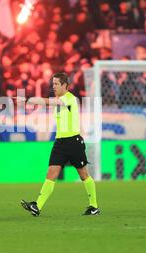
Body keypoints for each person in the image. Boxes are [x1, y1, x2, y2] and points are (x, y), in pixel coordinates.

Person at [19, 72, 100, 217]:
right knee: (51, 174)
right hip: (60, 143)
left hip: (74, 142)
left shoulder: (70, 99)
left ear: (65, 85)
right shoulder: (59, 100)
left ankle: (94, 206)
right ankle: (37, 206)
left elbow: (50, 102)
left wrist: (28, 99)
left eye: (56, 84)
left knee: (84, 175)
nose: (53, 87)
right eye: (53, 84)